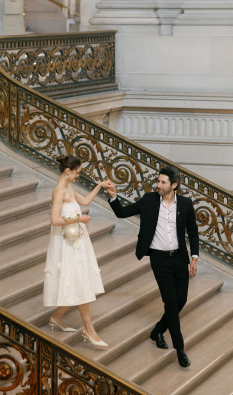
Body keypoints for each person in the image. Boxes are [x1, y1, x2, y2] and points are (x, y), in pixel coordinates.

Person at [106, 166, 199, 367]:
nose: (158, 185)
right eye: (158, 181)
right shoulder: (148, 200)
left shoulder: (185, 204)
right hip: (159, 260)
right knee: (171, 303)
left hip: (180, 259)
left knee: (181, 300)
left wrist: (194, 257)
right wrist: (114, 197)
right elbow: (123, 213)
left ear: (174, 185)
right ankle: (180, 349)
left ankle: (157, 330)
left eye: (163, 182)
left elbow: (193, 232)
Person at [44, 153, 113, 348]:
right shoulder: (59, 191)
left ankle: (57, 317)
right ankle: (89, 330)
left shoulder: (69, 187)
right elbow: (54, 219)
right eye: (77, 173)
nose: (78, 176)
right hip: (66, 243)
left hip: (77, 240)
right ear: (68, 171)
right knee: (79, 280)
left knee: (78, 279)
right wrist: (78, 220)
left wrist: (99, 186)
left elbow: (84, 202)